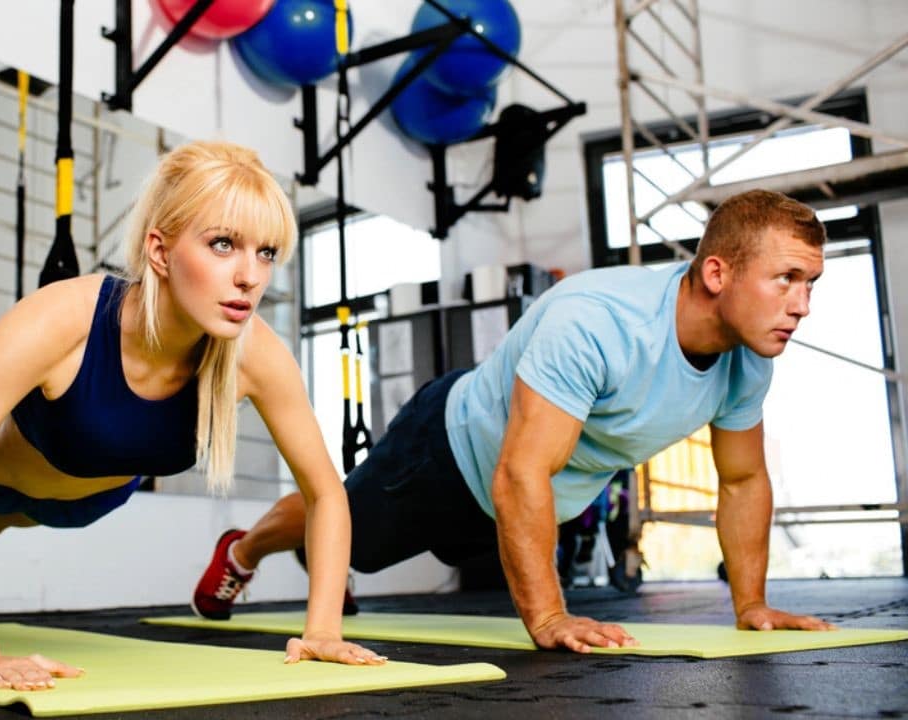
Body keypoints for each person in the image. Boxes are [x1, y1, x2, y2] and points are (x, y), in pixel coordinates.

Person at [0, 140, 386, 691]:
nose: (251, 277)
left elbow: (325, 493)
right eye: (222, 245)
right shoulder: (62, 319)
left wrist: (323, 631)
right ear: (160, 252)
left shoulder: (256, 355)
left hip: (77, 500)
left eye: (265, 253)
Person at [192, 189, 838, 652]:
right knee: (346, 528)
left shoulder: (749, 362)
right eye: (786, 279)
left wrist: (750, 605)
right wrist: (550, 615)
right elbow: (522, 470)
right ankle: (243, 550)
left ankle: (320, 553)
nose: (802, 306)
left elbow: (743, 480)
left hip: (523, 500)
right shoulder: (597, 321)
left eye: (810, 284)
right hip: (449, 452)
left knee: (361, 544)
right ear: (718, 272)